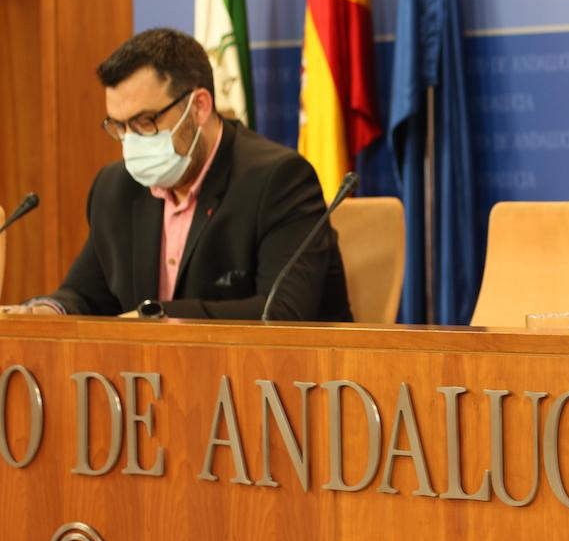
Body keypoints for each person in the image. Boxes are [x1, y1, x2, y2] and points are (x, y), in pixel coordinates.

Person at [0, 28, 352, 322]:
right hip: (153, 393)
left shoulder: (279, 180)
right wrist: (48, 310)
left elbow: (281, 313)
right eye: (119, 126)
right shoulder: (116, 187)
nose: (131, 141)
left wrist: (156, 317)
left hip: (275, 391)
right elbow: (85, 294)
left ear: (199, 106)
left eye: (145, 122)